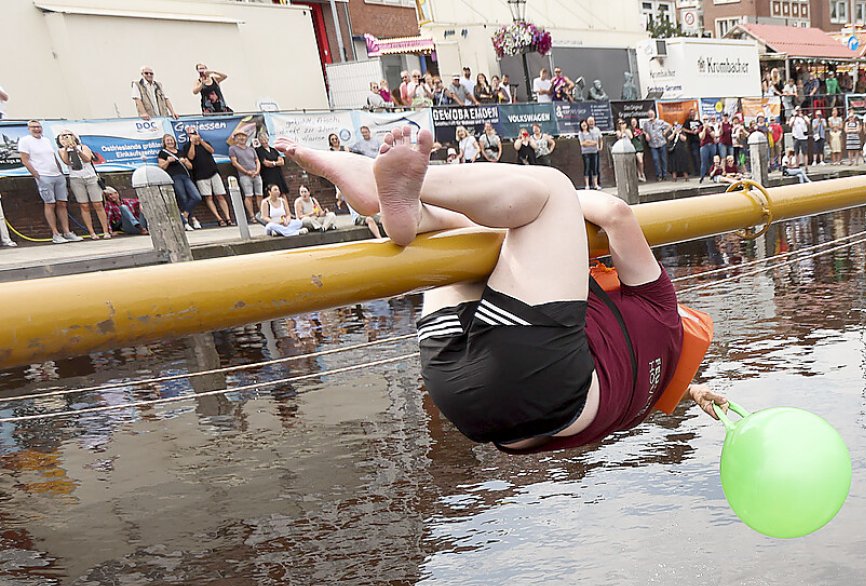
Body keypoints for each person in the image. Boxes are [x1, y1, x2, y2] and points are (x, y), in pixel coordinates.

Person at [275, 126, 727, 454]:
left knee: (552, 191)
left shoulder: (663, 317)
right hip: (461, 397)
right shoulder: (640, 400)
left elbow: (616, 214)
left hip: (546, 378)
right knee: (473, 232)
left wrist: (568, 211)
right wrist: (694, 391)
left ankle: (407, 186)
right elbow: (666, 375)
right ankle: (410, 211)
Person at [18, 120, 77, 243]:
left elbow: (53, 156)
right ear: (29, 129)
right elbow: (25, 159)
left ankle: (67, 231)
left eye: (38, 127)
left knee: (62, 203)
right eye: (33, 127)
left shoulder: (46, 140)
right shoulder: (25, 141)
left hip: (57, 174)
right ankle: (55, 233)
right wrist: (36, 175)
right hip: (43, 175)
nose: (37, 129)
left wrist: (60, 171)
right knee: (50, 203)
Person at [55, 131, 111, 239]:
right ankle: (92, 232)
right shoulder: (61, 150)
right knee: (84, 205)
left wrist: (76, 149)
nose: (67, 137)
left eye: (69, 135)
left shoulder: (83, 147)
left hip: (90, 177)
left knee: (98, 204)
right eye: (63, 136)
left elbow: (87, 159)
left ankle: (106, 231)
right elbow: (66, 162)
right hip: (76, 178)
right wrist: (67, 149)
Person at [183, 125, 232, 226]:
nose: (194, 136)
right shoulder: (187, 146)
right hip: (200, 176)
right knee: (208, 197)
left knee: (220, 195)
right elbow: (190, 157)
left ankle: (228, 218)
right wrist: (192, 144)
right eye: (192, 134)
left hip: (213, 172)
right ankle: (219, 219)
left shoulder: (205, 142)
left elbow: (211, 150)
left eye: (195, 133)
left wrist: (200, 141)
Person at [156, 132, 204, 231]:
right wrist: (168, 161)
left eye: (171, 140)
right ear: (164, 143)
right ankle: (189, 221)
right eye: (167, 140)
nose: (170, 142)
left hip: (185, 176)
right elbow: (161, 167)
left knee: (196, 197)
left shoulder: (180, 152)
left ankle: (184, 215)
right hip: (174, 177)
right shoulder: (163, 153)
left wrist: (185, 161)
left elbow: (190, 166)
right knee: (183, 198)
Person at [578, 117, 602, 190]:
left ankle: (596, 184)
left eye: (585, 125)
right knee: (587, 168)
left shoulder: (592, 132)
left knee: (595, 168)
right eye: (583, 125)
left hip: (594, 152)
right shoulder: (580, 133)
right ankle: (587, 185)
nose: (584, 126)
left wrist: (587, 142)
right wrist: (589, 143)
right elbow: (582, 143)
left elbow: (595, 142)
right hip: (585, 153)